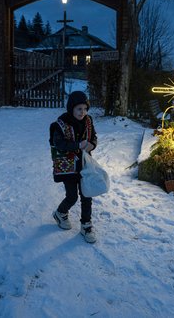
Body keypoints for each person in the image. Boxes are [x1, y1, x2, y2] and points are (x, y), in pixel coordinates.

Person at [49, 91, 98, 243]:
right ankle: (60, 213)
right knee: (72, 196)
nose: (82, 112)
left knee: (86, 194)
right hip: (68, 166)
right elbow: (59, 143)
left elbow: (94, 137)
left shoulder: (88, 121)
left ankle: (86, 225)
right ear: (71, 108)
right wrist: (77, 145)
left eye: (85, 109)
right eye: (79, 109)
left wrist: (92, 144)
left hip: (84, 164)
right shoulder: (61, 124)